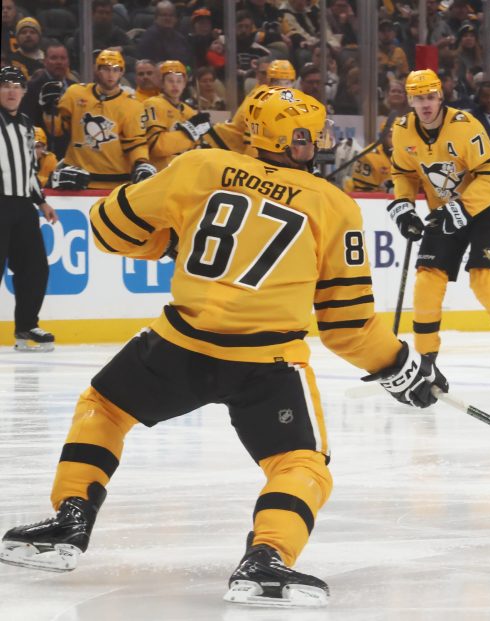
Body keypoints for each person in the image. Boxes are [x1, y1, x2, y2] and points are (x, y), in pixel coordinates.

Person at [0, 86, 448, 608]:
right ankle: (267, 559)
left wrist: (171, 238)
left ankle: (70, 519)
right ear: (290, 138)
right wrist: (400, 365)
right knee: (301, 464)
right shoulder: (333, 204)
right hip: (268, 361)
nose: (315, 144)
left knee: (103, 408)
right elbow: (347, 326)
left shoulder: (202, 167)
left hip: (180, 345)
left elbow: (108, 229)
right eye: (307, 135)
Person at [389, 69, 490, 394]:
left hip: (482, 210)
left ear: (440, 97)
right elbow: (403, 173)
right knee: (427, 279)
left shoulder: (465, 127)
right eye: (419, 98)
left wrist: (459, 209)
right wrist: (403, 206)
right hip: (443, 212)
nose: (426, 104)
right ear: (411, 101)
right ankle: (427, 361)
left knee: (483, 279)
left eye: (431, 97)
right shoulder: (402, 132)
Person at [0, 66, 58, 352]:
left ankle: (26, 327)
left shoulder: (26, 126)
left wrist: (42, 201)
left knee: (35, 268)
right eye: (5, 85)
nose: (11, 91)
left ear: (24, 92)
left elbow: (28, 171)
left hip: (23, 206)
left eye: (17, 86)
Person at [43, 49, 155, 190]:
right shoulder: (75, 93)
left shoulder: (132, 105)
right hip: (78, 178)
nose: (110, 75)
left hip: (116, 182)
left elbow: (135, 142)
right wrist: (48, 109)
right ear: (97, 70)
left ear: (122, 72)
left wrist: (141, 163)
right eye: (106, 69)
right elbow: (58, 130)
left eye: (115, 70)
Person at [141, 61, 210, 171]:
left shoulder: (189, 111)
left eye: (179, 81)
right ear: (162, 83)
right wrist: (189, 132)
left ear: (184, 84)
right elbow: (157, 147)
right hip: (160, 173)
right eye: (170, 81)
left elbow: (196, 148)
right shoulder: (152, 104)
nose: (175, 85)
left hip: (184, 173)